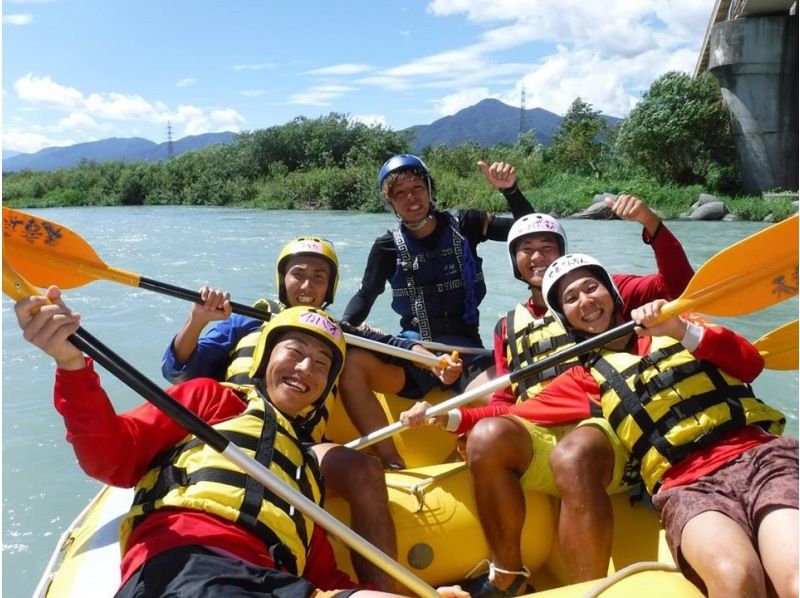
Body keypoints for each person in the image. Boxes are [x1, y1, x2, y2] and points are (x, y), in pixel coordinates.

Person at [15, 291, 469, 598]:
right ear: (266, 359)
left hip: (269, 580)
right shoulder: (213, 399)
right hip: (187, 566)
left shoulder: (305, 469)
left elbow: (324, 576)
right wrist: (72, 366)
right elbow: (110, 457)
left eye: (321, 364)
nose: (306, 368)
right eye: (293, 352)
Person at [400, 199, 695, 595]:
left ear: (563, 250)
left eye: (547, 247)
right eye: (526, 249)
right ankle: (507, 572)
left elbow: (678, 284)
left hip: (605, 424)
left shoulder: (601, 290)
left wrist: (650, 222)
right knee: (487, 435)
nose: (537, 257)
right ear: (515, 261)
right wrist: (454, 419)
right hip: (537, 426)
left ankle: (586, 589)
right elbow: (508, 402)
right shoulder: (508, 326)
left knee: (574, 451)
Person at [160, 236, 460, 591]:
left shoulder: (339, 332)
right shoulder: (245, 321)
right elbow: (177, 370)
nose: (307, 285)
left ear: (330, 287)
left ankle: (382, 592)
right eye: (297, 274)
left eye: (319, 277)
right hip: (232, 439)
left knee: (363, 469)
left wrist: (431, 359)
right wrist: (197, 320)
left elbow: (393, 343)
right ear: (282, 279)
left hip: (298, 449)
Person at [537, 253, 797, 598]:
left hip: (759, 459)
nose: (585, 301)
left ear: (612, 293)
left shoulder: (680, 322)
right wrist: (451, 417)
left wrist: (679, 329)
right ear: (566, 318)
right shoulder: (584, 377)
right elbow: (510, 410)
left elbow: (749, 364)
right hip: (688, 487)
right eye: (570, 299)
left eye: (591, 287)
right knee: (736, 579)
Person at [339, 157, 533, 463]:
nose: (411, 198)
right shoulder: (386, 246)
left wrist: (511, 191)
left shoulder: (467, 224)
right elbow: (366, 295)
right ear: (391, 203)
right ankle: (391, 462)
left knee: (513, 402)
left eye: (417, 188)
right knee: (351, 365)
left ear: (430, 189)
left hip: (465, 351)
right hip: (415, 353)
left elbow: (530, 231)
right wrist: (343, 325)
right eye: (399, 193)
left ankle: (462, 453)